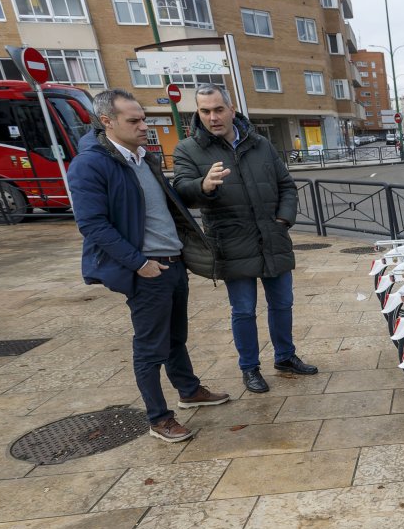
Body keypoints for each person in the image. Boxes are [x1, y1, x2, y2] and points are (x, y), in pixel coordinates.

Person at [69, 89, 229, 442]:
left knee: (175, 337)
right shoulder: (91, 163)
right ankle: (159, 418)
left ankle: (189, 390)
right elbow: (92, 225)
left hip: (172, 264)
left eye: (143, 118)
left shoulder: (143, 157)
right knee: (149, 348)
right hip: (147, 270)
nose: (144, 126)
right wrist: (140, 264)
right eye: (134, 121)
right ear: (107, 122)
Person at [172, 84, 318, 395]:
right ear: (198, 113)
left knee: (282, 304)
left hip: (272, 237)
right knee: (243, 310)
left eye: (218, 109)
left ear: (231, 109)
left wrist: (283, 219)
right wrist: (204, 185)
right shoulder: (189, 149)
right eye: (205, 111)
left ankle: (285, 356)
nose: (212, 117)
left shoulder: (260, 143)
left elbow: (287, 185)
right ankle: (249, 368)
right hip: (231, 241)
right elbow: (181, 190)